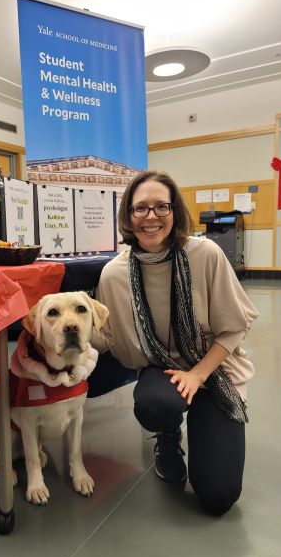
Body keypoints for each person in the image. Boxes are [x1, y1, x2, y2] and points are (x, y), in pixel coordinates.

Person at [91, 170, 259, 516]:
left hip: (214, 369)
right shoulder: (114, 274)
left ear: (175, 211)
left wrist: (197, 375)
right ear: (128, 215)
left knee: (218, 497)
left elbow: (233, 329)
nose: (150, 217)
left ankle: (204, 421)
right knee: (155, 404)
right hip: (162, 369)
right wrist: (61, 323)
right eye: (140, 209)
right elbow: (107, 338)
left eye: (160, 207)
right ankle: (168, 436)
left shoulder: (205, 254)